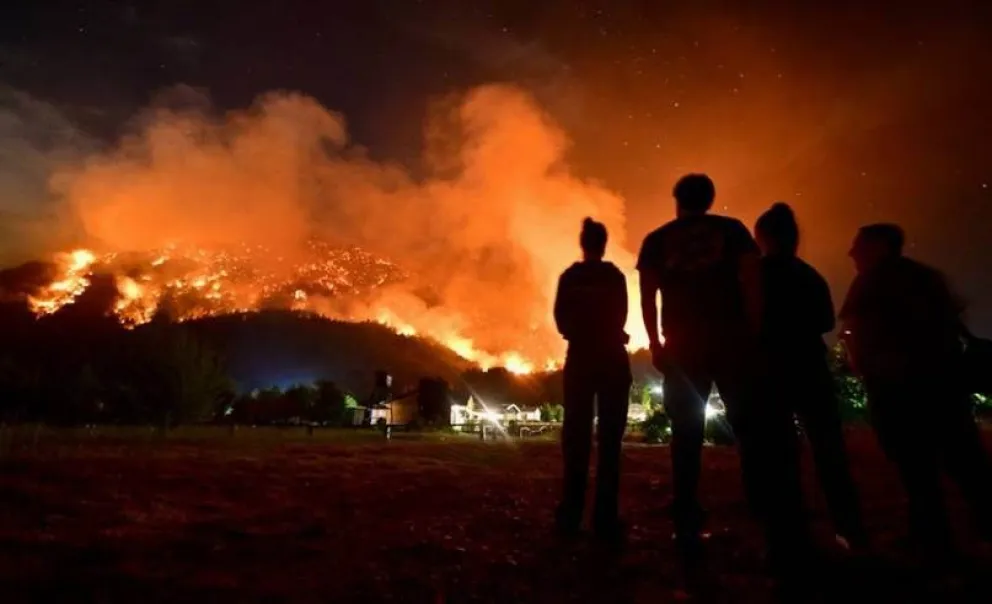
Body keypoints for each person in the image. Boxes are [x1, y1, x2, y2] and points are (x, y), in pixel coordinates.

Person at [637, 174, 809, 573]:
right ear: (711, 199)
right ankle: (765, 507)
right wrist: (753, 330)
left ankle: (686, 510)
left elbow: (646, 296)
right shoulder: (732, 231)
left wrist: (656, 344)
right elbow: (752, 280)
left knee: (686, 430)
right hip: (732, 340)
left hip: (682, 345)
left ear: (677, 199)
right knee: (750, 425)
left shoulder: (657, 240)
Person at [839, 223, 992, 559]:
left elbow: (856, 331)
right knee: (966, 463)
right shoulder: (927, 278)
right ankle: (981, 529)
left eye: (858, 245)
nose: (851, 253)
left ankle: (934, 540)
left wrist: (864, 367)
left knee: (916, 468)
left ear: (878, 247)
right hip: (942, 385)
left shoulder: (870, 283)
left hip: (897, 390)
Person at [755, 202, 867, 551]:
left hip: (771, 368)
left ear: (762, 238)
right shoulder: (809, 275)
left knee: (777, 451)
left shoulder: (753, 276)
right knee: (828, 448)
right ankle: (849, 528)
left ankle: (788, 532)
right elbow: (826, 322)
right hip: (809, 366)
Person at [553, 217, 632, 542]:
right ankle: (605, 518)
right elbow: (622, 314)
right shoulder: (614, 276)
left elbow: (560, 320)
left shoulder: (570, 277)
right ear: (604, 243)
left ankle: (571, 514)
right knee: (610, 441)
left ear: (583, 243)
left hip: (581, 358)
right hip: (612, 357)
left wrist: (579, 332)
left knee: (577, 438)